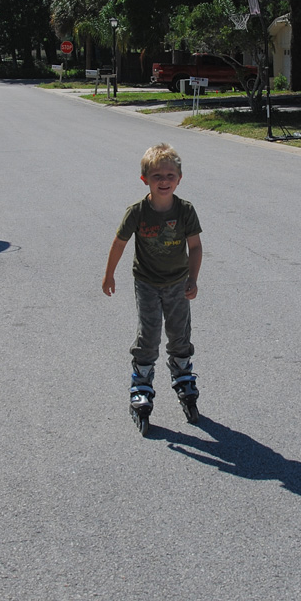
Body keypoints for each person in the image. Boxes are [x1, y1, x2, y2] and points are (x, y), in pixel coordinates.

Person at [102, 143, 203, 420]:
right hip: (146, 282)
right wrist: (109, 273)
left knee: (179, 333)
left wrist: (193, 278)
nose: (164, 181)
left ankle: (183, 376)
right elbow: (119, 242)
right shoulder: (137, 212)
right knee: (149, 334)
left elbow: (195, 247)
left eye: (170, 175)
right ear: (144, 179)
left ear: (179, 179)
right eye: (157, 176)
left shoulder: (185, 211)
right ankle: (141, 381)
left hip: (178, 283)